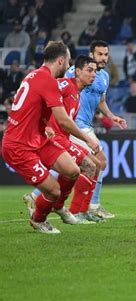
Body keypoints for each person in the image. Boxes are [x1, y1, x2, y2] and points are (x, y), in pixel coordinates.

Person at [1, 41, 100, 234]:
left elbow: (29, 107)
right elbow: (63, 121)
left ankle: (53, 205)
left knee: (72, 170)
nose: (69, 66)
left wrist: (44, 126)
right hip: (19, 146)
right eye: (68, 61)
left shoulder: (34, 75)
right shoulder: (49, 80)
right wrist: (88, 139)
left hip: (38, 138)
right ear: (61, 60)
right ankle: (39, 219)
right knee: (54, 190)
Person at [23, 55, 103, 224]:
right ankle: (71, 210)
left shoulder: (77, 95)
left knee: (94, 165)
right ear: (78, 71)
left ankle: (59, 205)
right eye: (89, 70)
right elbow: (44, 93)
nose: (93, 75)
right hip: (55, 138)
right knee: (88, 166)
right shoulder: (66, 84)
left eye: (95, 71)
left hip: (63, 137)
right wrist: (45, 125)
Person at [66, 40, 127, 219]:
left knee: (72, 167)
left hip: (86, 125)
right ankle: (90, 206)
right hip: (75, 124)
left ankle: (36, 196)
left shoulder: (105, 77)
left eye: (106, 54)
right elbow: (60, 90)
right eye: (100, 54)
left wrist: (112, 116)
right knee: (99, 162)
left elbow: (101, 102)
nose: (103, 58)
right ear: (91, 55)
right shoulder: (75, 72)